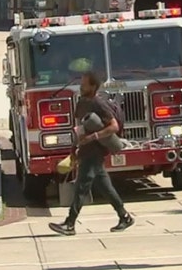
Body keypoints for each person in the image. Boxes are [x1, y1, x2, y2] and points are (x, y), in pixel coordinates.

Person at [48, 71, 134, 236]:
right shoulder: (81, 103)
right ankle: (125, 216)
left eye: (84, 83)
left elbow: (113, 127)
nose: (81, 86)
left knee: (81, 186)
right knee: (105, 187)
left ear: (93, 86)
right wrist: (73, 150)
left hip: (95, 151)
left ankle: (70, 223)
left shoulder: (98, 104)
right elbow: (79, 128)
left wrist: (94, 137)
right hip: (85, 150)